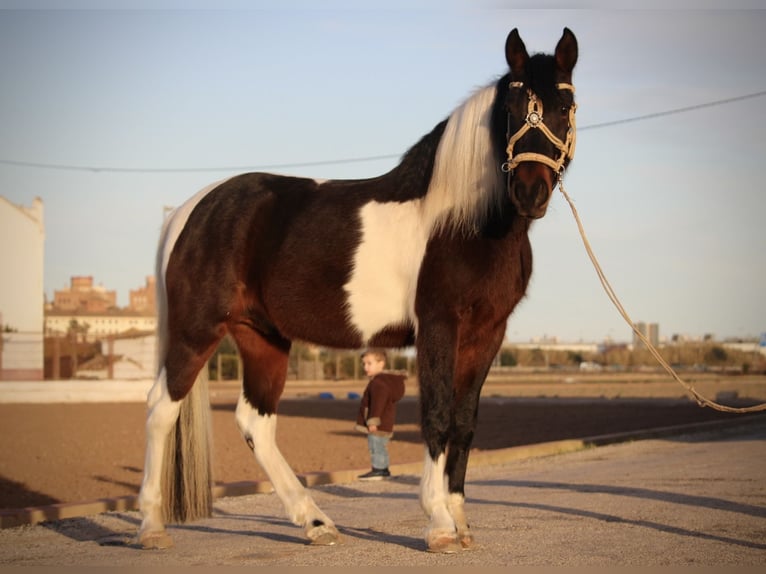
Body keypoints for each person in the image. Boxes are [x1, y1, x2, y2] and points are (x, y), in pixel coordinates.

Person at [354, 349, 406, 480]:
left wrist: (372, 422)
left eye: (369, 363)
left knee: (376, 446)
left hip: (379, 424)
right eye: (364, 364)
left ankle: (380, 470)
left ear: (381, 364)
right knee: (379, 446)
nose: (365, 367)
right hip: (385, 422)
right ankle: (382, 470)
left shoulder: (378, 383)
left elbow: (378, 403)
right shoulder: (383, 381)